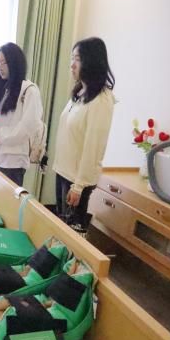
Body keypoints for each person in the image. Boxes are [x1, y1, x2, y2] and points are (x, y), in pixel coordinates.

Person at [53, 37, 115, 230]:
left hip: (76, 180)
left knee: (72, 233)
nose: (72, 64)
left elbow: (93, 147)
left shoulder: (102, 100)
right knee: (61, 228)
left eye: (77, 59)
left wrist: (79, 186)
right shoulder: (80, 92)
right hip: (63, 171)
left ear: (91, 62)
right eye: (72, 58)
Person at [0, 43, 43, 186]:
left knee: (7, 199)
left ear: (15, 62)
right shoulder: (2, 89)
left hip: (13, 162)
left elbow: (28, 126)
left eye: (3, 62)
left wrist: (0, 134)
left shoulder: (29, 90)